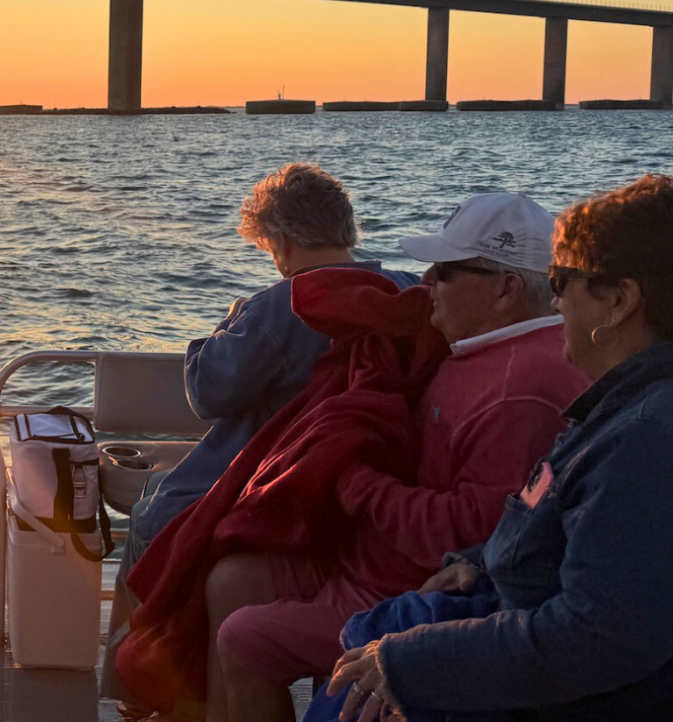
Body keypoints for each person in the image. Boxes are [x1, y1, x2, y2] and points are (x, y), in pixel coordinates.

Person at [326, 175, 673, 722]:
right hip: (540, 643)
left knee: (362, 683)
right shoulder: (670, 398)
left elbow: (596, 640)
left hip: (597, 701)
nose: (556, 296)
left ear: (619, 300)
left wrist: (413, 662)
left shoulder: (654, 444)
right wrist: (477, 564)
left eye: (563, 278)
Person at [204, 192, 587, 722]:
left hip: (405, 588)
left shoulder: (518, 389)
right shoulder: (476, 349)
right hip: (366, 560)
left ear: (508, 290)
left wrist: (353, 481)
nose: (426, 280)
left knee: (244, 639)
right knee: (228, 579)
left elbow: (467, 534)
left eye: (446, 271)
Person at [102, 164, 418, 701]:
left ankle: (131, 693)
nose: (271, 258)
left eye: (268, 244)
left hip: (269, 488)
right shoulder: (405, 292)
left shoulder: (280, 307)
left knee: (149, 521)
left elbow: (208, 394)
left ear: (285, 240)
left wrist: (226, 326)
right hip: (354, 501)